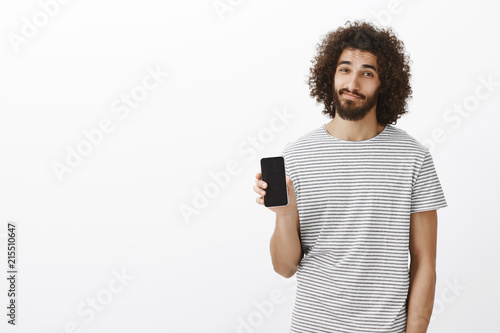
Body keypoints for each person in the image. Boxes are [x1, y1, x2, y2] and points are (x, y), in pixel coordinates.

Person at [253, 20, 447, 333]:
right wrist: (285, 215)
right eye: (345, 69)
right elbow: (284, 267)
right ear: (330, 74)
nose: (352, 83)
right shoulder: (297, 156)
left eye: (366, 73)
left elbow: (425, 264)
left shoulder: (413, 158)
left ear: (384, 83)